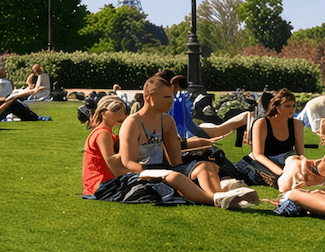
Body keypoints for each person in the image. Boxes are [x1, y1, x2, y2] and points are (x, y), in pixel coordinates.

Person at [83, 94, 258, 208]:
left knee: (198, 167)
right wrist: (129, 147)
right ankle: (216, 199)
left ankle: (220, 192)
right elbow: (114, 164)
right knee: (174, 176)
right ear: (104, 112)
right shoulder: (102, 134)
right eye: (117, 114)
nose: (122, 118)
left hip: (111, 179)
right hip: (103, 185)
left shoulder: (107, 133)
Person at [118, 74, 259, 206]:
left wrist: (193, 153)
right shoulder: (133, 123)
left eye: (171, 97)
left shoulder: (167, 121)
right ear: (150, 97)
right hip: (142, 171)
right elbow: (128, 162)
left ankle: (220, 196)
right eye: (166, 97)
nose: (171, 102)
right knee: (174, 177)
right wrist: (156, 171)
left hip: (165, 168)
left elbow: (175, 160)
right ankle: (215, 199)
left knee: (205, 166)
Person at [168, 75, 251, 140]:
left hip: (191, 132)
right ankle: (249, 117)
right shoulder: (179, 100)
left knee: (219, 129)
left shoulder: (178, 101)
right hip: (191, 132)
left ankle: (249, 117)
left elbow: (188, 127)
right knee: (219, 130)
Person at [250, 88, 305, 178]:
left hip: (288, 160)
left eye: (293, 106)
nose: (292, 109)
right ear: (276, 106)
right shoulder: (262, 123)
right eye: (287, 106)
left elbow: (300, 153)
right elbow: (257, 154)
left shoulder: (297, 124)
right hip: (263, 163)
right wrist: (281, 173)